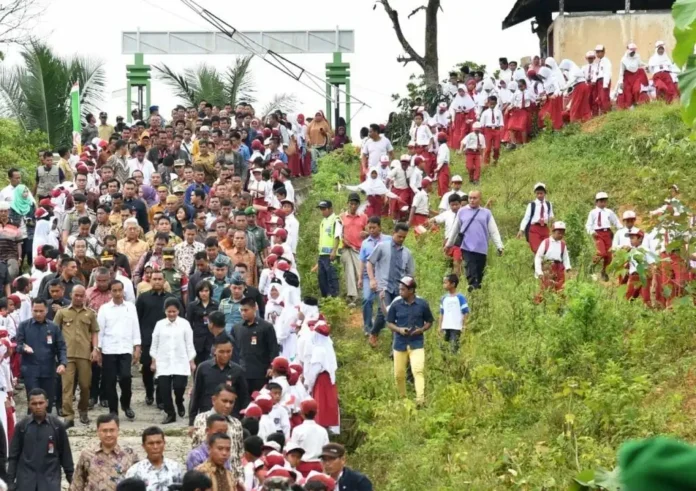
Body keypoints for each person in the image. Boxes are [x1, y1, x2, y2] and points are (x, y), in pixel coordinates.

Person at [8, 388, 73, 491]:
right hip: (26, 482)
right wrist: (10, 483)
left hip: (49, 481)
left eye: (41, 403)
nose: (38, 407)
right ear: (29, 404)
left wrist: (72, 480)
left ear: (47, 403)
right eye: (34, 403)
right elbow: (13, 456)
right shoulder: (22, 426)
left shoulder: (57, 426)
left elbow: (66, 455)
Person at [53, 285, 99, 428]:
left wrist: (95, 349)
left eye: (81, 295)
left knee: (85, 385)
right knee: (67, 386)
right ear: (71, 295)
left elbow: (95, 332)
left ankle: (83, 410)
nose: (79, 298)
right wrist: (56, 352)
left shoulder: (90, 314)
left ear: (85, 296)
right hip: (67, 355)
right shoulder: (62, 313)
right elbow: (55, 332)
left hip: (85, 354)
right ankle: (68, 416)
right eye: (76, 295)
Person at [386, 276, 433, 405]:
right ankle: (403, 399)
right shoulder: (396, 304)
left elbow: (429, 321)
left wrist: (422, 329)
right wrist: (399, 330)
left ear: (411, 290)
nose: (400, 292)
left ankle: (420, 399)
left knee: (418, 370)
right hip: (400, 343)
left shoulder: (422, 304)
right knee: (399, 374)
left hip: (416, 343)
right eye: (400, 289)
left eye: (403, 289)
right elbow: (389, 323)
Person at [366, 223, 415, 347]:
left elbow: (410, 274)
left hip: (400, 288)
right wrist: (372, 279)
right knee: (384, 312)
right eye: (399, 236)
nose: (401, 239)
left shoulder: (407, 253)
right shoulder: (382, 247)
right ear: (394, 233)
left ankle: (395, 345)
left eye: (404, 237)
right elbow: (370, 263)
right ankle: (374, 333)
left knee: (398, 315)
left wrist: (410, 290)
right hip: (384, 286)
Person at [97, 280, 141, 419]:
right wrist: (98, 350)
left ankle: (126, 404)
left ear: (123, 291)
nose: (117, 293)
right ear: (110, 292)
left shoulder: (130, 307)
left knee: (126, 377)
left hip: (125, 348)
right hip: (109, 349)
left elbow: (135, 328)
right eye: (114, 290)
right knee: (109, 381)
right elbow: (100, 331)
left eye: (119, 290)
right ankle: (113, 410)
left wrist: (137, 347)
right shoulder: (104, 309)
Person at [446, 191, 504, 291]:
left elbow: (493, 231)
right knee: (471, 271)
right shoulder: (462, 211)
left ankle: (477, 294)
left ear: (480, 199)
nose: (472, 200)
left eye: (474, 198)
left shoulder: (486, 213)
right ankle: (472, 289)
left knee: (479, 274)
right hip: (467, 248)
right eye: (470, 198)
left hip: (481, 249)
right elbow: (455, 229)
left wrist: (500, 246)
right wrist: (449, 244)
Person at [16, 298, 67, 411]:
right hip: (30, 370)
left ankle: (47, 425)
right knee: (34, 401)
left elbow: (61, 347)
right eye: (35, 311)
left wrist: (63, 363)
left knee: (47, 401)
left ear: (46, 310)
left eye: (41, 311)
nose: (38, 314)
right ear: (31, 310)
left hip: (48, 370)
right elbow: (17, 346)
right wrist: (24, 347)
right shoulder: (24, 326)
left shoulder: (53, 327)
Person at [151, 297, 196, 424]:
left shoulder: (185, 324)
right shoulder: (159, 324)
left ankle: (179, 401)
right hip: (163, 361)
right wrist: (153, 360)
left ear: (178, 311)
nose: (171, 314)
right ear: (165, 311)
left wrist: (191, 360)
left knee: (179, 386)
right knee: (164, 389)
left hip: (180, 361)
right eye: (169, 311)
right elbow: (155, 344)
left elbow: (189, 344)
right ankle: (170, 413)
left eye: (174, 311)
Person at [135, 270, 175, 407]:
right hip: (147, 338)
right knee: (147, 368)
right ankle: (149, 392)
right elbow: (137, 319)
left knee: (163, 369)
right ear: (150, 280)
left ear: (164, 281)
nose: (157, 281)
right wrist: (137, 340)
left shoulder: (170, 299)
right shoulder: (143, 298)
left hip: (166, 339)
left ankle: (161, 398)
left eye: (160, 279)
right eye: (154, 279)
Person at [189, 334, 249, 422]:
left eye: (228, 351)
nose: (225, 355)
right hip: (208, 416)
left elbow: (244, 397)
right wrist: (191, 421)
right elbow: (196, 394)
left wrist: (243, 418)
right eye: (221, 351)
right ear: (214, 351)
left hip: (231, 417)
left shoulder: (238, 370)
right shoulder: (203, 368)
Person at [190, 384, 244, 481]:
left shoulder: (236, 424)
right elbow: (197, 448)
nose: (228, 405)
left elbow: (239, 455)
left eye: (231, 402)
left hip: (234, 479)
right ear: (214, 400)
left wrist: (240, 479)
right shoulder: (202, 420)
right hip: (209, 478)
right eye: (224, 401)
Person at [71, 413, 138, 491]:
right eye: (104, 431)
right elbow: (77, 483)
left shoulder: (130, 454)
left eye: (112, 430)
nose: (108, 434)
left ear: (118, 431)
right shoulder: (87, 454)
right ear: (98, 432)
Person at [233, 297, 279, 395]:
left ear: (254, 308)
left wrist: (272, 367)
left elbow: (273, 349)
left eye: (246, 310)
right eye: (241, 310)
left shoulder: (266, 327)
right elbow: (233, 350)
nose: (243, 313)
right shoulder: (237, 328)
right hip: (242, 372)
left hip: (261, 373)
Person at [339, 194, 368, 307]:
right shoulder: (342, 216)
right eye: (351, 203)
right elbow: (338, 232)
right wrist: (343, 240)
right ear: (348, 203)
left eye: (355, 204)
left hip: (359, 248)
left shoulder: (363, 217)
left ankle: (363, 294)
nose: (353, 206)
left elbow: (369, 231)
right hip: (346, 248)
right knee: (349, 271)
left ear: (358, 205)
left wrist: (366, 234)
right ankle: (352, 296)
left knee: (360, 271)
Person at [585, 191, 620, 282]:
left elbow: (616, 221)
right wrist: (592, 232)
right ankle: (591, 268)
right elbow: (588, 225)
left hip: (607, 233)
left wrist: (621, 229)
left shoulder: (609, 212)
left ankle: (604, 271)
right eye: (601, 201)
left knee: (609, 255)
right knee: (601, 252)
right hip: (598, 234)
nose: (603, 203)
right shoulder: (593, 212)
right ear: (596, 202)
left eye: (604, 201)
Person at [289, 399, 329, 477]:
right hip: (318, 466)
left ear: (301, 413)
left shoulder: (297, 430)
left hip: (302, 467)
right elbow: (326, 451)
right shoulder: (322, 430)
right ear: (316, 412)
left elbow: (292, 451)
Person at [534, 222, 572, 301]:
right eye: (559, 233)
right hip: (548, 267)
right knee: (546, 287)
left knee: (561, 288)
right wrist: (539, 272)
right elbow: (538, 257)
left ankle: (560, 307)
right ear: (553, 232)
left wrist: (568, 268)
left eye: (562, 233)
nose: (561, 235)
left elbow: (565, 257)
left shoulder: (562, 244)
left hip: (559, 267)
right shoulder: (546, 242)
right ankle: (536, 304)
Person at [312, 200, 341, 298]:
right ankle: (326, 299)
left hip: (331, 255)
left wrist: (334, 250)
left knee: (332, 277)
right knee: (322, 278)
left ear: (330, 209)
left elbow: (337, 236)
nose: (322, 211)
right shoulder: (323, 221)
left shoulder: (336, 220)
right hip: (322, 255)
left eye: (324, 209)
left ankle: (334, 298)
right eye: (321, 209)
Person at [517, 182, 553, 253]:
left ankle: (538, 263)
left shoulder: (548, 204)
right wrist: (521, 230)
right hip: (534, 229)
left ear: (544, 193)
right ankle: (538, 263)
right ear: (535, 194)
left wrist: (553, 228)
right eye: (537, 193)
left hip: (545, 228)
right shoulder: (532, 205)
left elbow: (551, 216)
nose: (539, 195)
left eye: (541, 193)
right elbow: (526, 218)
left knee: (546, 250)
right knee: (537, 249)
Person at [438, 274, 469, 353]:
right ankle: (446, 364)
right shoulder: (443, 298)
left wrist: (464, 325)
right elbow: (442, 313)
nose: (444, 285)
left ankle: (453, 362)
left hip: (456, 327)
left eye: (446, 283)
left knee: (453, 348)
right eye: (443, 283)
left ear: (453, 284)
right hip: (445, 326)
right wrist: (440, 326)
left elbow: (465, 312)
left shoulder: (460, 297)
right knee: (443, 347)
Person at [595, 44, 613, 114]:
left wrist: (605, 84)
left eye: (599, 52)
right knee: (600, 98)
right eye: (597, 52)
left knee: (604, 98)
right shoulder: (600, 61)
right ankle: (603, 112)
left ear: (603, 52)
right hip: (599, 81)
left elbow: (607, 72)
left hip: (604, 81)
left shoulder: (606, 60)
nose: (597, 54)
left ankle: (607, 112)